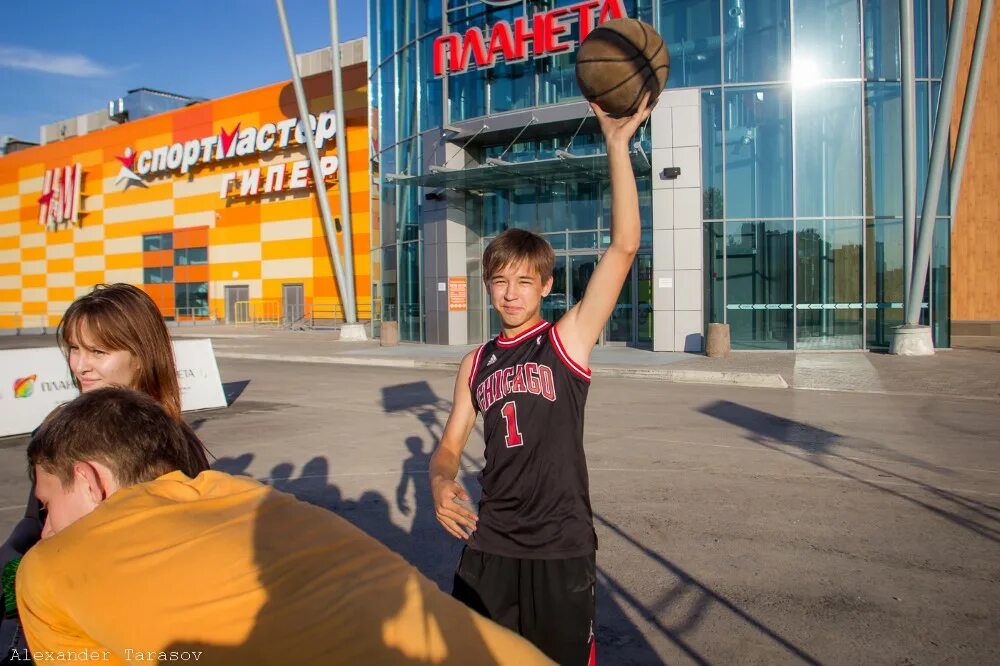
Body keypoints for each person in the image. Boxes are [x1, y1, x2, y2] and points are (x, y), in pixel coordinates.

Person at [14, 388, 553, 666]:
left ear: (89, 480)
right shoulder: (251, 498)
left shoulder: (49, 570)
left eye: (46, 505)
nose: (45, 530)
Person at [429, 94, 653, 665]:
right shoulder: (475, 363)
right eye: (500, 280)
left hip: (561, 545)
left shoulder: (566, 341)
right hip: (492, 540)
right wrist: (439, 481)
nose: (511, 293)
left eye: (525, 282)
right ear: (487, 287)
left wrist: (616, 145)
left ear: (545, 288)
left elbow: (625, 246)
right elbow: (450, 444)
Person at [1, 283, 211, 662]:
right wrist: (14, 571)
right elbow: (35, 523)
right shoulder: (58, 427)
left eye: (99, 352)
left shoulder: (174, 446)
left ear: (141, 357)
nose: (81, 366)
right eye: (75, 349)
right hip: (44, 623)